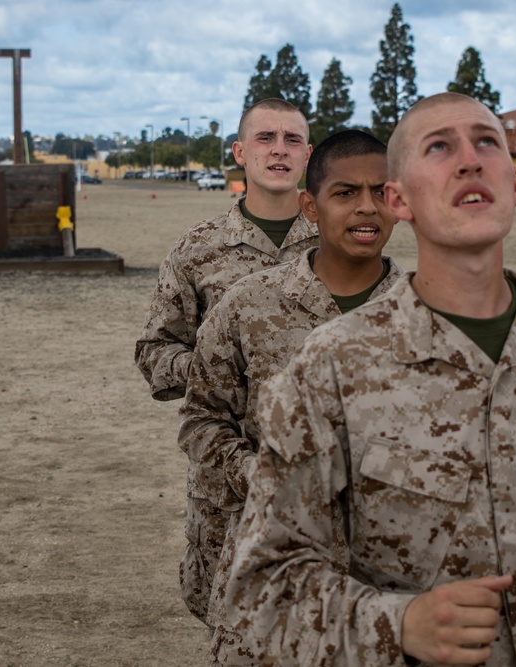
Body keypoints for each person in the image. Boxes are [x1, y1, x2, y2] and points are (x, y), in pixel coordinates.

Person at [225, 93, 516, 666]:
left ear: (515, 184)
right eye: (439, 147)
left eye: (487, 142)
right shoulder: (332, 365)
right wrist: (398, 624)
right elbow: (263, 588)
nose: (469, 160)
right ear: (398, 199)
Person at [179, 129, 404, 664]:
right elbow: (201, 420)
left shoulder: (428, 315)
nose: (365, 208)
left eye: (380, 192)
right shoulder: (248, 306)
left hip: (393, 581)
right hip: (272, 572)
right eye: (345, 193)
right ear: (310, 206)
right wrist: (257, 474)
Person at [134, 98, 318, 623]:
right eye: (265, 138)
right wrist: (214, 373)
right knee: (226, 614)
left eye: (292, 140)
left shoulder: (339, 244)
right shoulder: (198, 250)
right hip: (228, 475)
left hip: (322, 474)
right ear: (239, 152)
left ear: (308, 155)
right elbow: (155, 351)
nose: (279, 150)